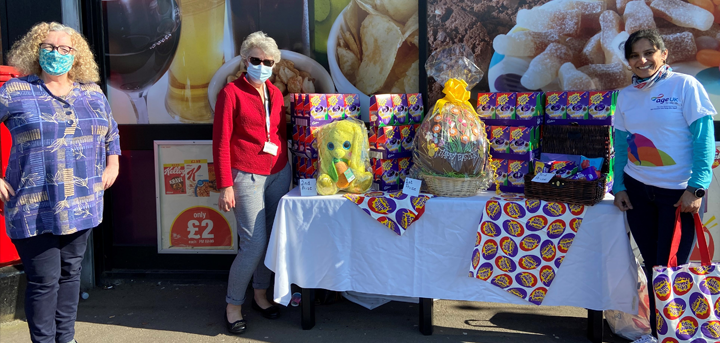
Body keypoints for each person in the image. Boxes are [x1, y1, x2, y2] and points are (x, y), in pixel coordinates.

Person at [0, 22, 121, 343]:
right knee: (44, 280)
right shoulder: (15, 91)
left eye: (65, 49)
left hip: (83, 200)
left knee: (70, 276)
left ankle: (65, 338)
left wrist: (113, 161)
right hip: (33, 204)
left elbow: (111, 131)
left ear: (76, 55)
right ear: (35, 51)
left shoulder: (91, 92)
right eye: (49, 48)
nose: (57, 54)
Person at [613, 29, 716, 337]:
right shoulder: (627, 96)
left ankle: (671, 333)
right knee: (650, 266)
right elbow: (621, 146)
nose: (641, 60)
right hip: (638, 192)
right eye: (634, 55)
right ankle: (659, 332)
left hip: (678, 195)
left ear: (663, 53)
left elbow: (704, 140)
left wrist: (696, 187)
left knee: (670, 269)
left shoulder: (685, 86)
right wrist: (619, 186)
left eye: (648, 53)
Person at [212, 31, 290, 335]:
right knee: (253, 244)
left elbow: (278, 134)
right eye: (256, 60)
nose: (261, 65)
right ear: (245, 61)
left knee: (270, 239)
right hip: (246, 175)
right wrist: (225, 184)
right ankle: (233, 304)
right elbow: (220, 142)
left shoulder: (276, 93)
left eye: (267, 61)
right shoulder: (230, 93)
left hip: (278, 172)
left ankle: (260, 294)